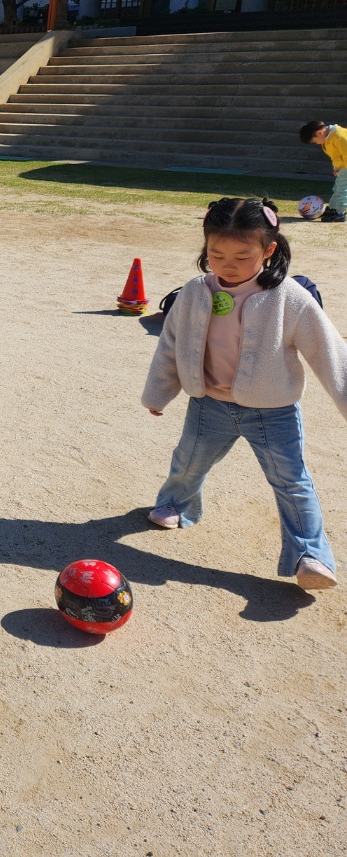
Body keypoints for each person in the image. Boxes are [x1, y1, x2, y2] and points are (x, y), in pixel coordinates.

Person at [143, 197, 347, 589]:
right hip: (209, 404)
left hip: (273, 411)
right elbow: (171, 343)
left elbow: (330, 353)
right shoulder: (194, 291)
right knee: (188, 462)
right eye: (216, 254)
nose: (228, 265)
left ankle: (311, 555)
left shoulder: (289, 297)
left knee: (291, 482)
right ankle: (177, 504)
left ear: (269, 250)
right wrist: (158, 394)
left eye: (242, 256)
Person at [298, 120, 347, 223]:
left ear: (319, 133)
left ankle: (340, 213)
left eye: (315, 141)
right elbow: (336, 155)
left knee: (343, 190)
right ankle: (333, 208)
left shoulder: (340, 136)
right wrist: (337, 168)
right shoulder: (329, 138)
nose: (316, 143)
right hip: (343, 167)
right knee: (338, 188)